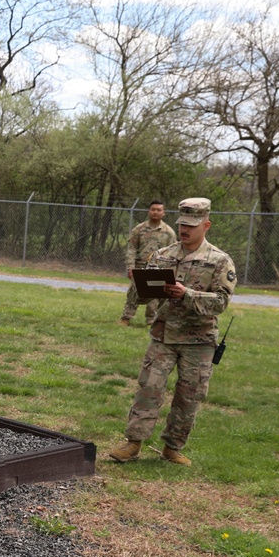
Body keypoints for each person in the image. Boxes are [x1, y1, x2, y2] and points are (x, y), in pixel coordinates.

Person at [109, 198, 236, 466]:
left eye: (192, 225)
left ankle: (173, 447)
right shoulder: (163, 255)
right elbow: (144, 294)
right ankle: (133, 443)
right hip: (163, 335)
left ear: (206, 225)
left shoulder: (220, 261)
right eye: (182, 224)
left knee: (189, 396)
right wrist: (143, 288)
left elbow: (221, 302)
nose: (184, 230)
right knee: (149, 388)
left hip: (199, 340)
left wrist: (186, 294)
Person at [119, 200, 176, 326]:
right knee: (134, 293)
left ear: (163, 213)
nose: (155, 212)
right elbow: (131, 248)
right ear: (149, 211)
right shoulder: (139, 229)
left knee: (155, 295)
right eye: (153, 209)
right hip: (140, 266)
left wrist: (169, 270)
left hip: (157, 268)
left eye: (159, 210)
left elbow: (173, 253)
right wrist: (130, 267)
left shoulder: (169, 232)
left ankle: (151, 320)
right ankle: (126, 317)